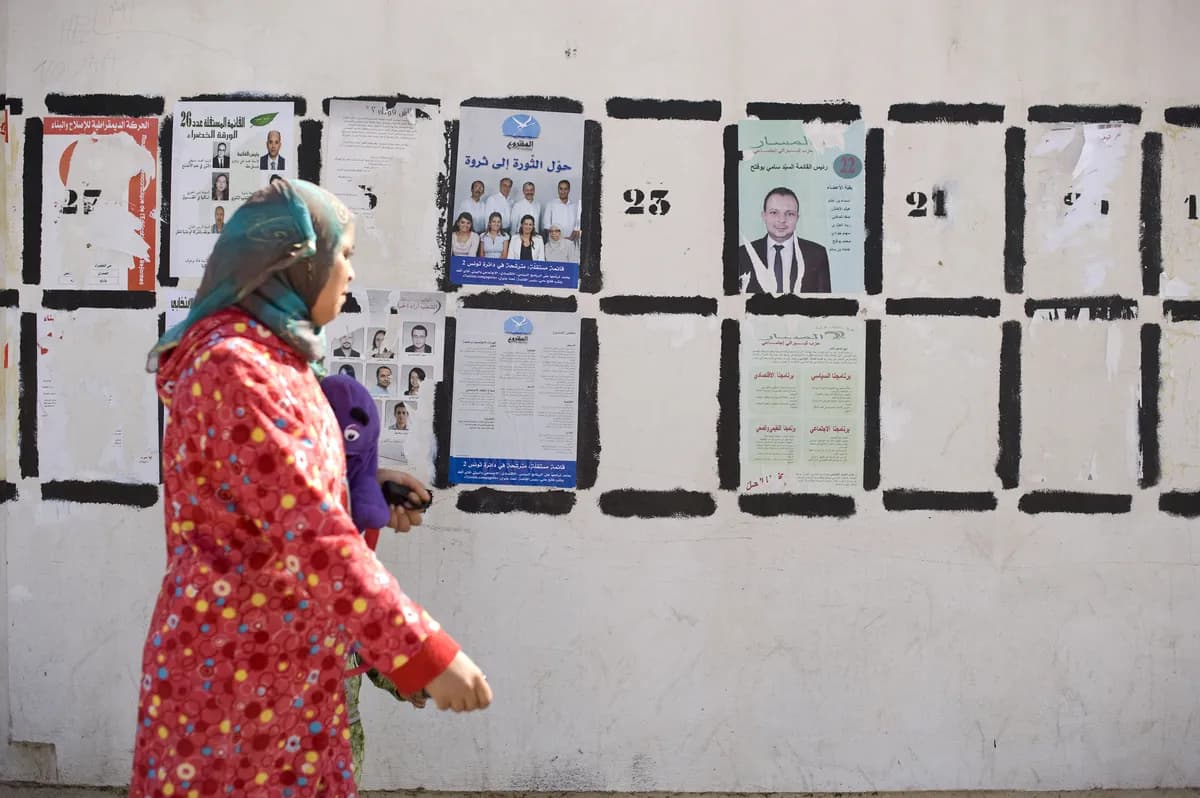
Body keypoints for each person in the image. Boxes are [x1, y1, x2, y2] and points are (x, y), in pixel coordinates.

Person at [136, 178, 491, 798]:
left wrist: (364, 483)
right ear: (292, 264)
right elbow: (312, 534)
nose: (351, 272)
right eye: (343, 254)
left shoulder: (280, 361)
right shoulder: (235, 367)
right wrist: (425, 654)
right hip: (236, 686)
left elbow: (273, 490)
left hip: (291, 677)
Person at [738, 186, 831, 294]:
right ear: (764, 216)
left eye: (789, 214)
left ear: (797, 217)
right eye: (774, 212)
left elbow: (825, 305)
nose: (782, 220)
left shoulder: (817, 254)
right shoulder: (742, 255)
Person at [542, 178, 581, 246]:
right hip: (555, 244)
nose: (563, 191)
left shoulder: (575, 206)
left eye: (565, 189)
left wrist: (570, 239)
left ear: (569, 190)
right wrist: (557, 239)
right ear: (558, 189)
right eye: (561, 189)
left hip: (571, 243)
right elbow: (546, 227)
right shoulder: (550, 204)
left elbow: (577, 227)